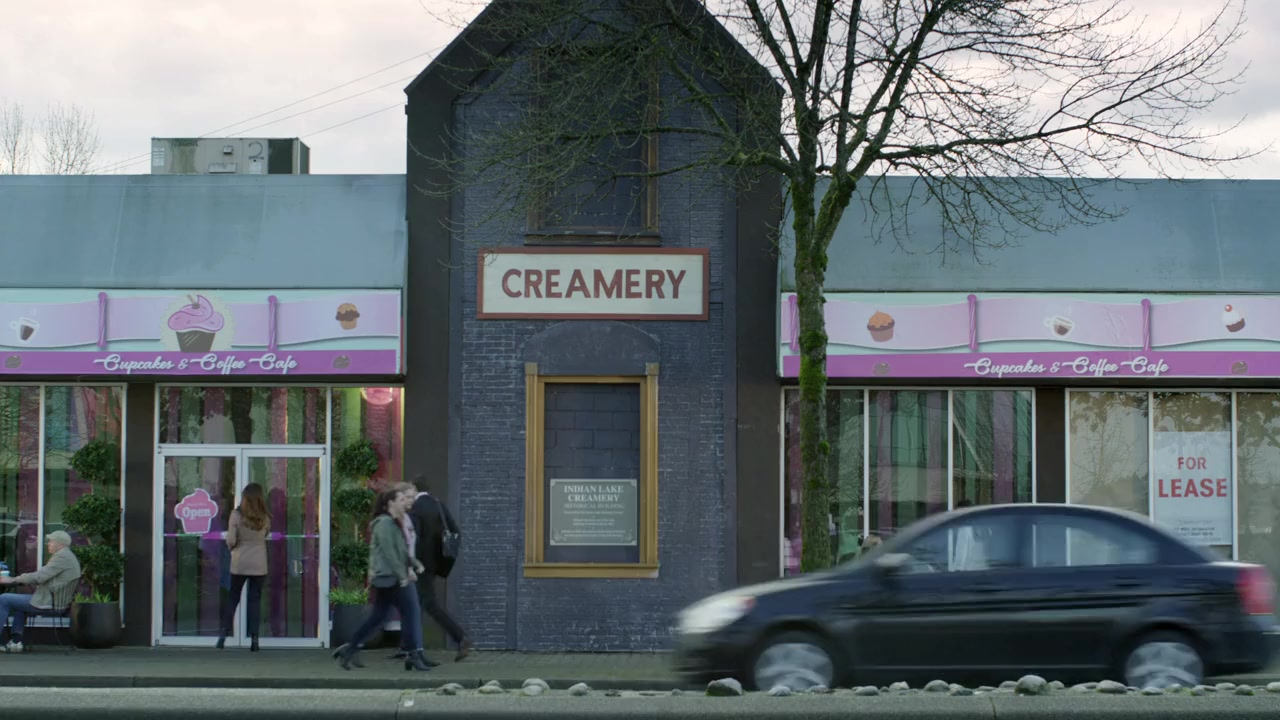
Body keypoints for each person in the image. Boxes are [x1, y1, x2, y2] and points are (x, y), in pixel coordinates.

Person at [334, 483, 431, 672]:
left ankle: (350, 649)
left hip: (391, 578)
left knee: (378, 617)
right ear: (390, 503)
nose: (405, 502)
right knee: (409, 613)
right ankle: (413, 655)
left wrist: (414, 562)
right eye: (401, 499)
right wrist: (402, 576)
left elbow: (400, 550)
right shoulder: (385, 524)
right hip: (390, 578)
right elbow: (389, 553)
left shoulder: (394, 523)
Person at [396, 475, 471, 662]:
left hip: (419, 564)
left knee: (429, 604)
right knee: (415, 603)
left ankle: (460, 637)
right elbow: (455, 531)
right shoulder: (438, 504)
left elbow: (412, 538)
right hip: (434, 563)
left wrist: (410, 564)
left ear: (414, 488)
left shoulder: (415, 508)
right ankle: (407, 647)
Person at [0, 530, 81, 653]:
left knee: (4, 598)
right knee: (18, 603)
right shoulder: (68, 556)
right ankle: (16, 641)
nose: (48, 544)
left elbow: (39, 576)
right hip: (55, 600)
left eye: (51, 541)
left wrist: (12, 579)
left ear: (60, 544)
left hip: (50, 602)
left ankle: (10, 641)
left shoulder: (62, 557)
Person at [217, 482, 270, 652]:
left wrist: (232, 547)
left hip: (240, 562)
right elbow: (266, 534)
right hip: (259, 563)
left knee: (233, 598)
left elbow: (231, 540)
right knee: (254, 601)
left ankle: (223, 635)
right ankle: (254, 640)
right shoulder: (265, 517)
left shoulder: (236, 515)